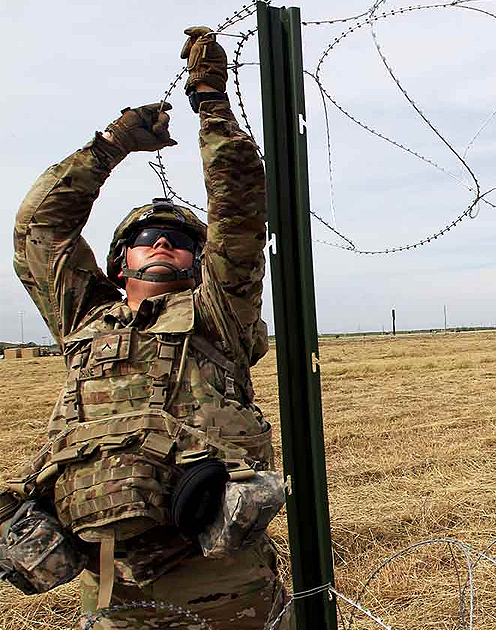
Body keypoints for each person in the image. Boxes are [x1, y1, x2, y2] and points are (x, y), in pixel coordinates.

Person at [1, 28, 291, 629]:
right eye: (142, 238)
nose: (161, 242)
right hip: (110, 582)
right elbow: (39, 229)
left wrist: (210, 98)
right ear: (117, 262)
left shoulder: (217, 316)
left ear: (198, 259)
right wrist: (111, 145)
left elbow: (238, 205)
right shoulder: (85, 320)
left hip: (221, 579)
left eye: (182, 240)